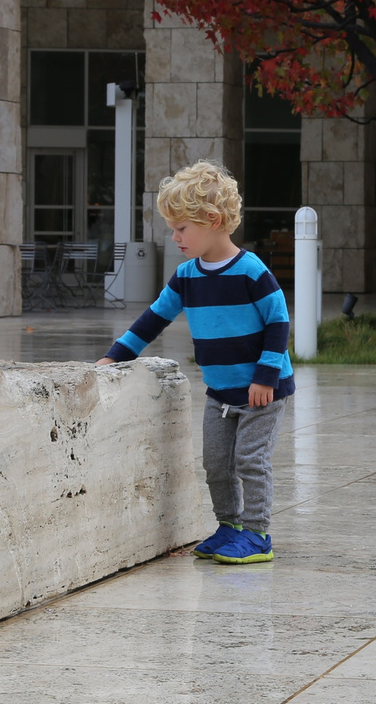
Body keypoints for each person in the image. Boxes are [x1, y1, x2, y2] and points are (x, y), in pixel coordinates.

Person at [96, 161, 295, 564]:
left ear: (213, 220)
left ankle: (257, 534)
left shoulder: (251, 270)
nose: (174, 238)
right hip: (220, 391)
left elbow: (278, 321)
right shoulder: (186, 276)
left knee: (249, 461)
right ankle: (230, 526)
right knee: (216, 463)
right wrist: (115, 356)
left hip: (262, 390)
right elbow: (153, 318)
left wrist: (265, 376)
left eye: (181, 228)